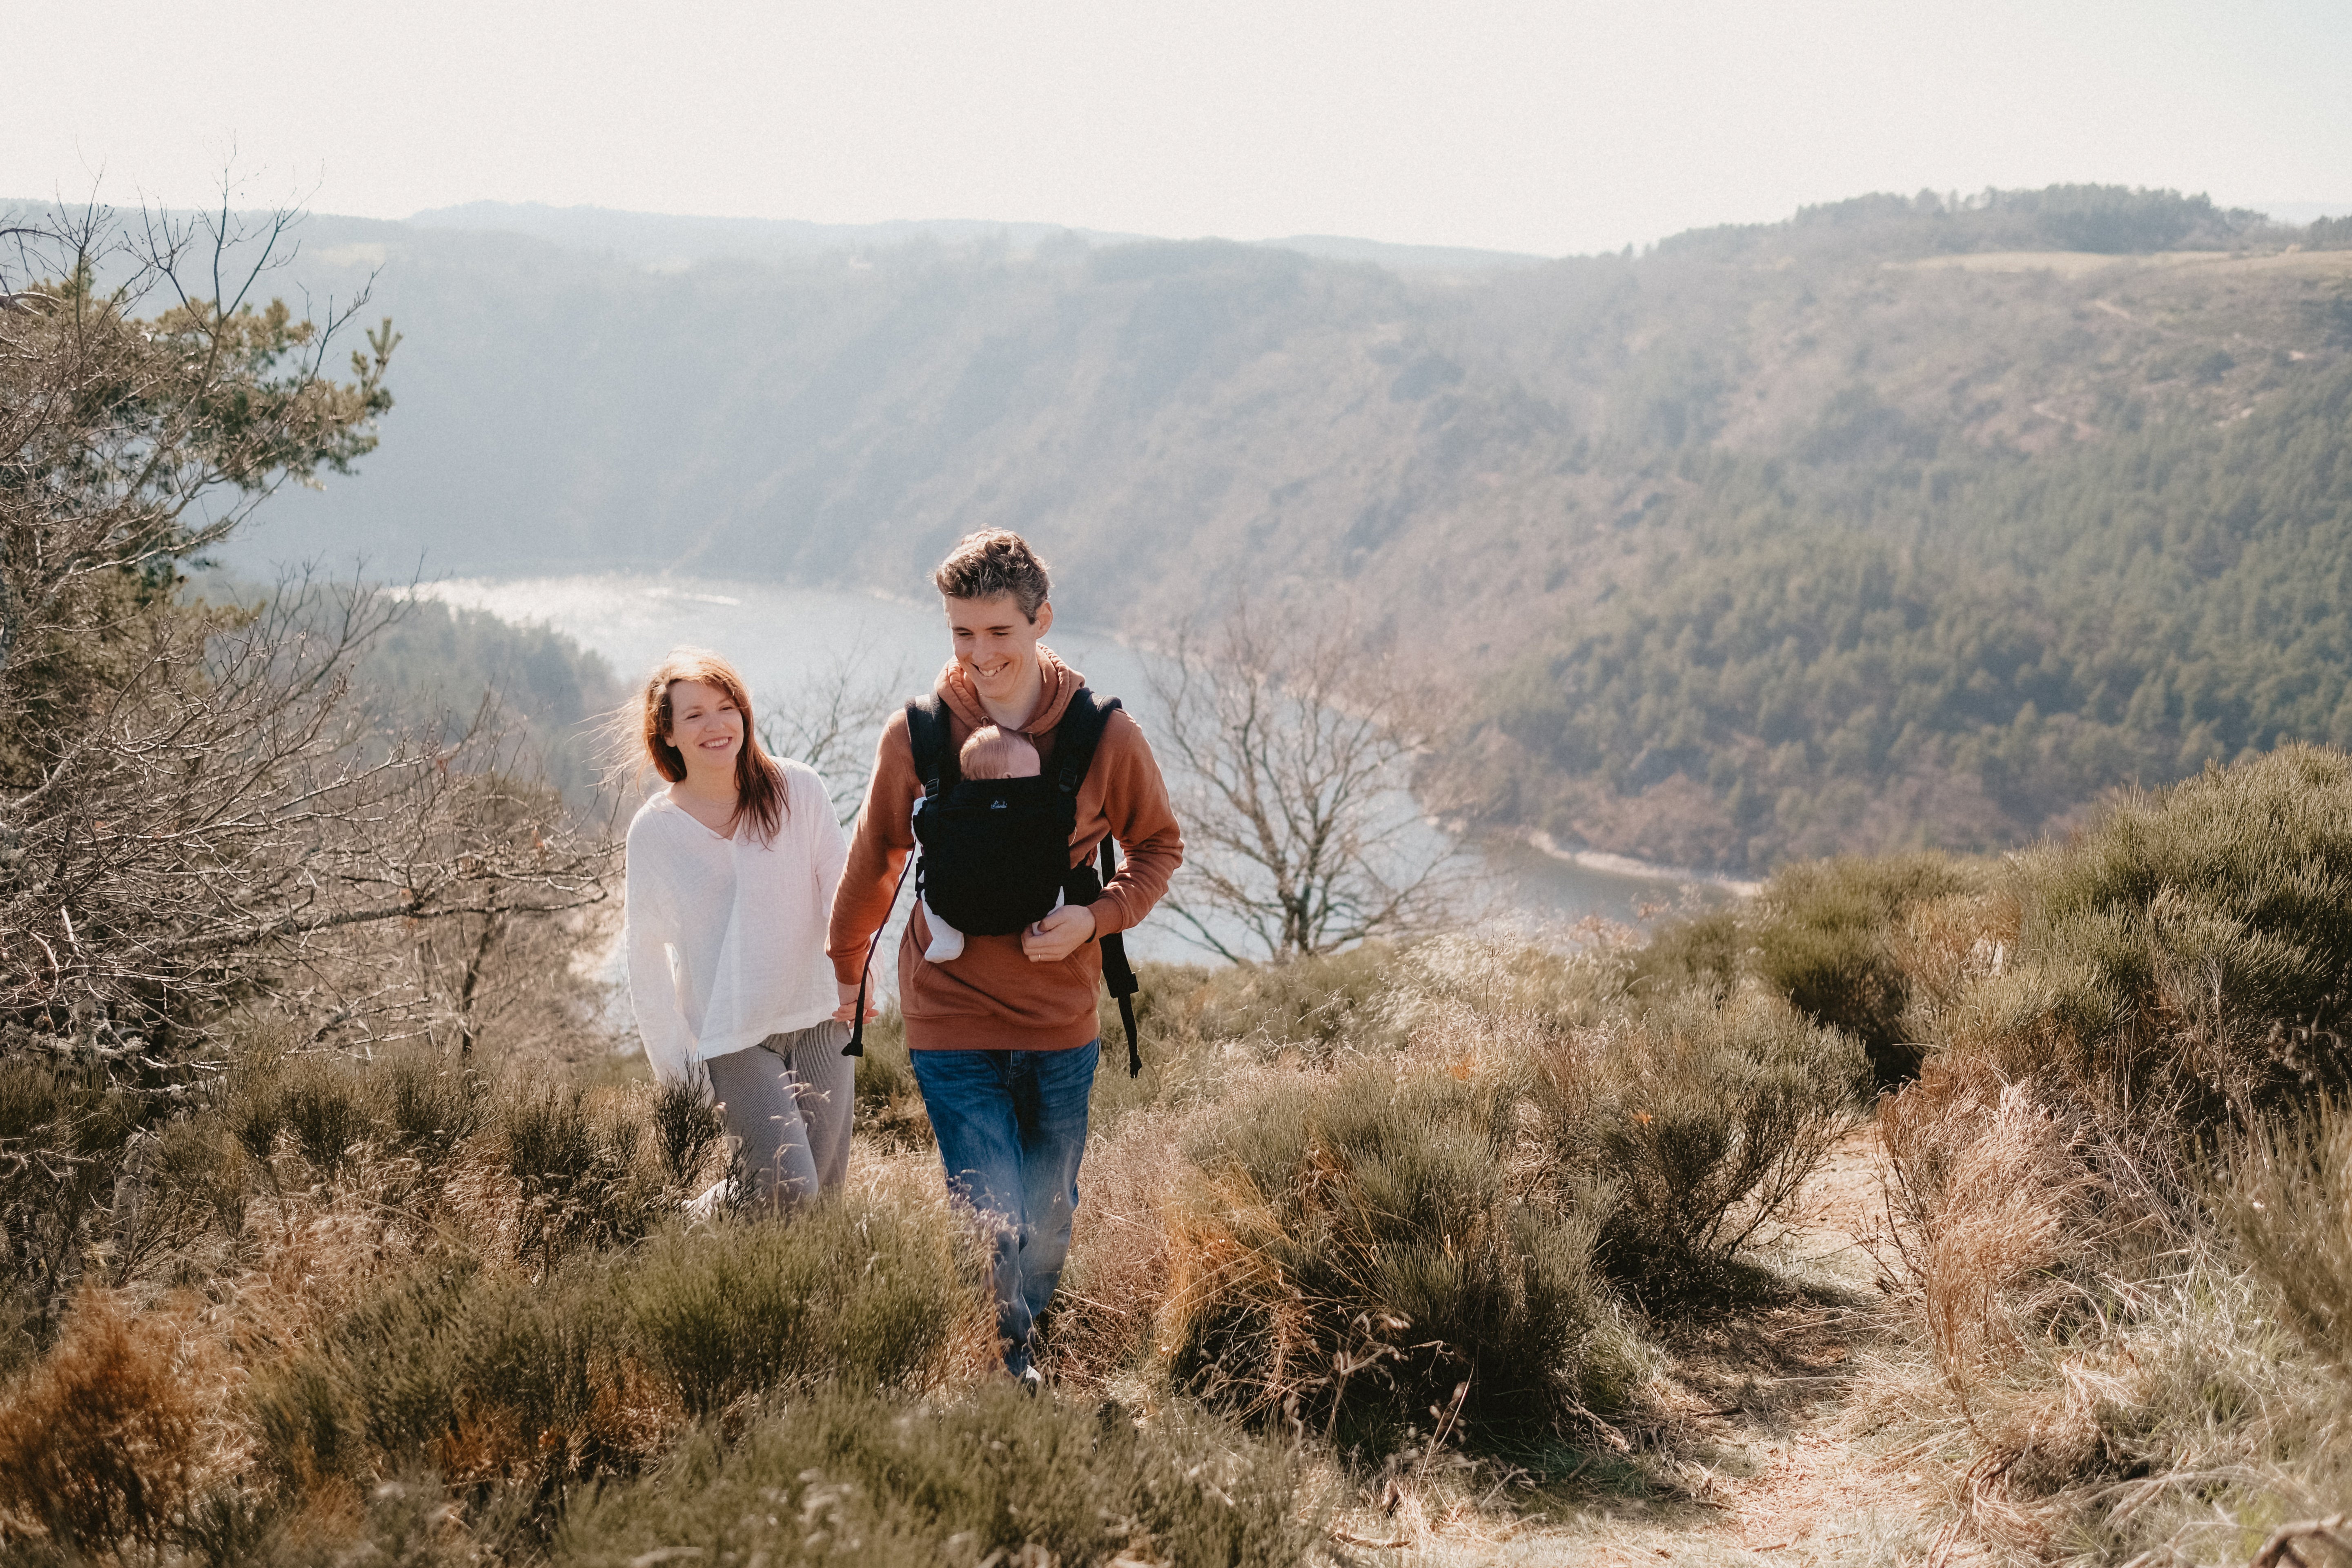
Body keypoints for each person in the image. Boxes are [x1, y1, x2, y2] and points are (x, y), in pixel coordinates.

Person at [829, 530, 1183, 1384]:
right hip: (948, 1014)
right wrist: (847, 975)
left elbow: (1158, 848)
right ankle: (1005, 1366)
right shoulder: (916, 734)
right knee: (989, 1209)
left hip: (1060, 1021)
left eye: (998, 633)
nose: (980, 656)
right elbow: (876, 857)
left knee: (1050, 1215)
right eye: (961, 633)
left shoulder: (1104, 736)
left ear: (1041, 621)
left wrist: (1096, 919)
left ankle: (1028, 1332)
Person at [624, 650, 852, 1212]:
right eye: (695, 714)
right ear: (668, 733)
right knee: (786, 1187)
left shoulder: (798, 789)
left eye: (727, 708)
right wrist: (680, 1075)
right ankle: (688, 1228)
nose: (716, 724)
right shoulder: (656, 832)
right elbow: (646, 963)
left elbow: (845, 897)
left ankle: (795, 1298)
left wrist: (856, 979)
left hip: (824, 1017)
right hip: (733, 1037)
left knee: (821, 1200)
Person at [918, 726, 1058, 963]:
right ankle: (1040, 930)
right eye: (1035, 770)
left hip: (957, 903)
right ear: (1009, 779)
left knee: (927, 885)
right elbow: (1064, 824)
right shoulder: (1034, 806)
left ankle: (947, 938)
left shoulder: (954, 803)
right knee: (1056, 878)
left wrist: (924, 803)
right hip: (1030, 898)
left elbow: (924, 831)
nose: (1039, 776)